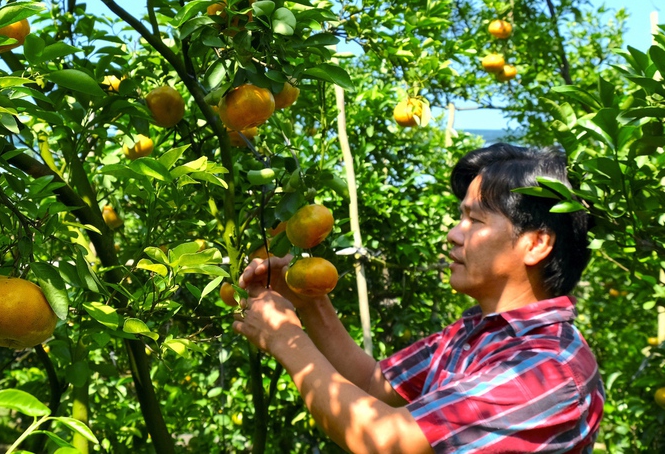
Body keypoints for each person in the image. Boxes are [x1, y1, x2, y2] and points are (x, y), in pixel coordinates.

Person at [233, 143, 604, 453]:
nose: (453, 234)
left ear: (536, 243)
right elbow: (371, 383)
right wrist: (308, 299)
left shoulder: (547, 369)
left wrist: (286, 338)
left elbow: (382, 439)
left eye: (475, 221)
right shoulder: (476, 332)